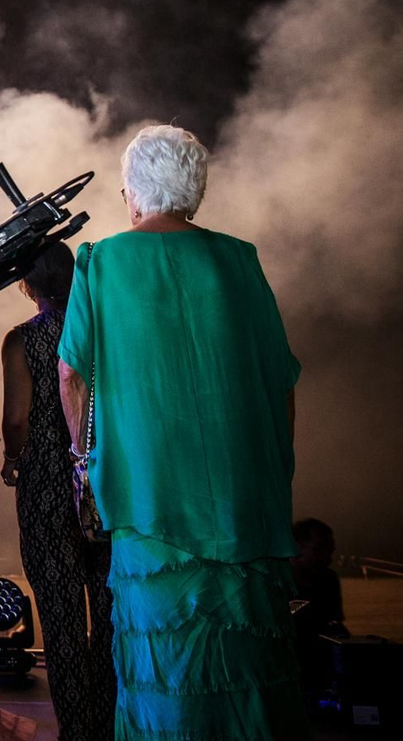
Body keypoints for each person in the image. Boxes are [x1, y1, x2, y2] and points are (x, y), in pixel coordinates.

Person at [58, 125, 306, 740]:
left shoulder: (103, 261)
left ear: (135, 193)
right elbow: (281, 378)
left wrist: (81, 458)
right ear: (196, 188)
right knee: (247, 657)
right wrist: (277, 468)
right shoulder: (238, 259)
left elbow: (69, 374)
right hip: (242, 496)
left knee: (162, 659)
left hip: (148, 494)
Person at [0, 242, 116, 741]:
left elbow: (18, 418)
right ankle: (111, 720)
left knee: (62, 616)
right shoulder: (104, 331)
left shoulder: (23, 340)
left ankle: (77, 728)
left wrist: (11, 460)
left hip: (48, 480)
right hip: (105, 477)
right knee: (110, 610)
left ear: (28, 285)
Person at [291, 518, 347, 694]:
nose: (326, 558)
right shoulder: (277, 582)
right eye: (318, 550)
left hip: (319, 671)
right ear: (298, 547)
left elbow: (335, 625)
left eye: (329, 552)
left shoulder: (328, 580)